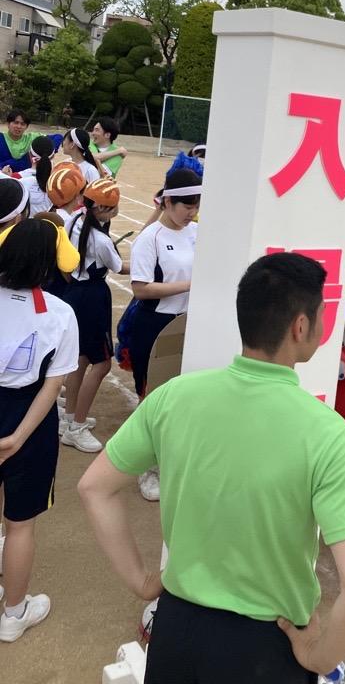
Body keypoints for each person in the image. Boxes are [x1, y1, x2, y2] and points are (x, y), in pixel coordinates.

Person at [78, 252, 345, 682]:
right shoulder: (329, 434)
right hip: (266, 647)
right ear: (300, 326)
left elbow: (94, 487)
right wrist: (318, 658)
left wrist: (142, 581)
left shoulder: (173, 397)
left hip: (176, 631)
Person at [0, 216, 79, 642]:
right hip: (29, 420)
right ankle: (14, 614)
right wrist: (18, 437)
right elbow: (53, 385)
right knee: (20, 524)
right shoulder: (60, 314)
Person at [122, 168, 200, 500]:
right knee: (152, 398)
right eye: (186, 206)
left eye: (195, 205)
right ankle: (149, 468)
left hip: (190, 323)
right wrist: (190, 285)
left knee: (184, 397)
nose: (191, 212)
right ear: (167, 202)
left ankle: (172, 460)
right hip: (155, 325)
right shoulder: (150, 238)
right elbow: (141, 289)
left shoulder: (197, 232)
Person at [59, 178, 129, 454]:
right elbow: (119, 267)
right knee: (101, 364)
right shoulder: (101, 240)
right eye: (113, 207)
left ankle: (69, 419)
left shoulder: (74, 219)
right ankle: (76, 427)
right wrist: (148, 263)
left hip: (74, 293)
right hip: (93, 299)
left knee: (80, 359)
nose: (116, 211)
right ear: (100, 208)